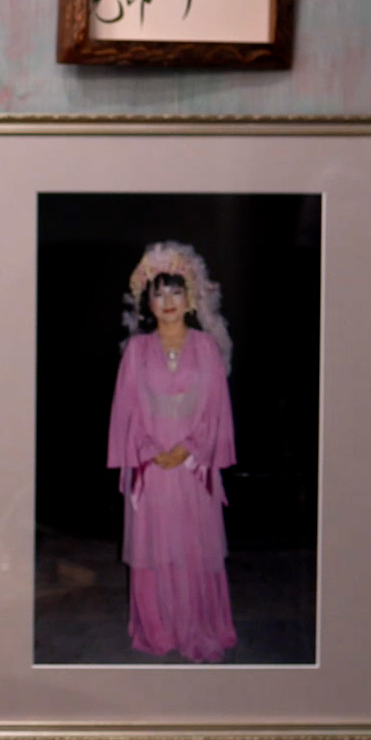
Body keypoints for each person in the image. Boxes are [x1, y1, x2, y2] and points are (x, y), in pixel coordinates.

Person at [106, 241, 238, 664]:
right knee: (154, 549)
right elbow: (126, 412)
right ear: (147, 301)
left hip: (194, 467)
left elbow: (216, 410)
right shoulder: (136, 352)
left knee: (194, 545)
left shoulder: (206, 349)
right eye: (158, 292)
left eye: (175, 291)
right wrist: (149, 450)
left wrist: (189, 448)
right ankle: (157, 626)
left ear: (191, 298)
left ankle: (198, 625)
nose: (167, 301)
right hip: (151, 468)